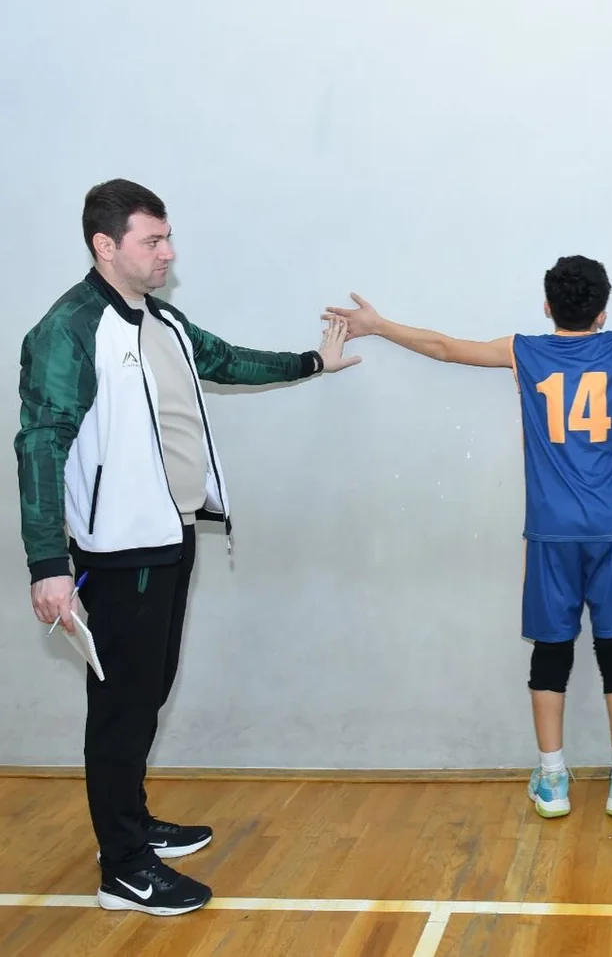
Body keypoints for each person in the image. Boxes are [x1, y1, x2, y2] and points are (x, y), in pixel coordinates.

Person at [326, 257, 612, 820]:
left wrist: (379, 325)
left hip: (551, 532)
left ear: (548, 305)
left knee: (552, 649)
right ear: (603, 311)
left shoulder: (524, 351)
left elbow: (445, 348)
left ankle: (552, 780)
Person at [15, 179, 360, 917]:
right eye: (152, 240)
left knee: (149, 690)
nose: (168, 251)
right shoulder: (69, 330)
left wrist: (313, 362)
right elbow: (40, 445)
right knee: (122, 705)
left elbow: (225, 359)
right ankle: (123, 869)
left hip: (172, 533)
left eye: (167, 237)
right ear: (105, 245)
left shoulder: (162, 320)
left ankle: (132, 824)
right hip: (119, 551)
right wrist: (48, 565)